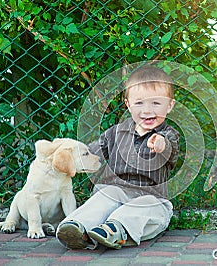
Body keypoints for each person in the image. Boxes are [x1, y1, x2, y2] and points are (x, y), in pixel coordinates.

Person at [56, 65, 180, 250]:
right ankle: (77, 227)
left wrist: (162, 144)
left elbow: (170, 149)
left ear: (169, 105)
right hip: (116, 190)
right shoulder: (115, 133)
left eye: (156, 103)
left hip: (150, 195)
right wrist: (69, 159)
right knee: (104, 198)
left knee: (146, 208)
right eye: (139, 103)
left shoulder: (168, 134)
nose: (147, 110)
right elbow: (91, 154)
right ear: (128, 105)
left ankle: (116, 229)